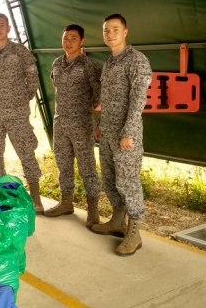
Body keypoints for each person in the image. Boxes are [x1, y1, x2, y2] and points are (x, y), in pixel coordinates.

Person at [90, 14, 152, 256]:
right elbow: (107, 100)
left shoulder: (136, 60)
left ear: (125, 32)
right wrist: (100, 125)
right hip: (108, 132)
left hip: (127, 134)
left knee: (128, 181)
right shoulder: (110, 62)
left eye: (115, 29)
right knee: (110, 177)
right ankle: (117, 221)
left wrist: (128, 131)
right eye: (106, 30)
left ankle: (134, 232)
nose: (110, 34)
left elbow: (138, 100)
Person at [0, 13, 44, 214]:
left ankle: (35, 197)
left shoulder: (20, 52)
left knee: (26, 152)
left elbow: (33, 79)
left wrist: (23, 98)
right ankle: (3, 196)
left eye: (1, 25)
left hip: (17, 112)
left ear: (8, 28)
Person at [45, 24, 102, 228]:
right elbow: (58, 89)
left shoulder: (90, 66)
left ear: (82, 41)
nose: (68, 42)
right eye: (66, 37)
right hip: (60, 122)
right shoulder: (57, 64)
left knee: (87, 166)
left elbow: (98, 96)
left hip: (82, 124)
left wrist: (85, 112)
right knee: (63, 164)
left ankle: (93, 209)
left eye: (74, 38)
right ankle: (66, 202)